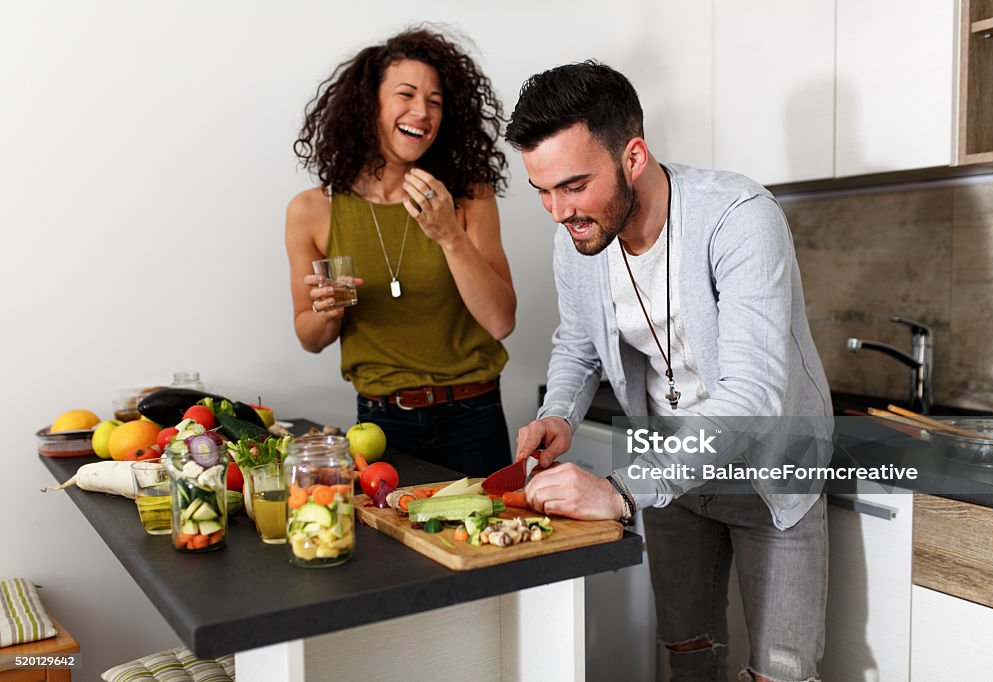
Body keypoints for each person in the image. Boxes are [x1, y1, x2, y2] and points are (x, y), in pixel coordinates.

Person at [505, 61, 832, 682]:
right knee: (688, 656)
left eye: (573, 185)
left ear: (633, 156)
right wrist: (559, 413)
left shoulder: (738, 216)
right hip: (673, 471)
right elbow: (578, 342)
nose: (556, 212)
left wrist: (623, 490)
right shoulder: (580, 235)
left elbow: (757, 398)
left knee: (781, 674)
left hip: (771, 470)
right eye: (542, 191)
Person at [286, 28, 516, 478]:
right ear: (368, 104)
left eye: (435, 101)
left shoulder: (468, 197)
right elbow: (309, 337)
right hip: (380, 423)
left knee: (483, 544)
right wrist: (329, 311)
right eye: (406, 94)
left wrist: (449, 234)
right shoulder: (314, 210)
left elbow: (501, 321)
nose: (422, 112)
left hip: (473, 416)